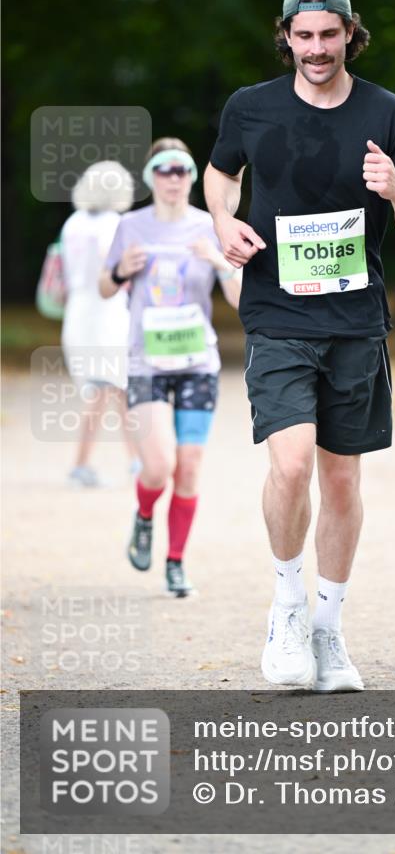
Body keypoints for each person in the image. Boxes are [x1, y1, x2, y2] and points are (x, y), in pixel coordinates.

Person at [204, 0, 395, 690]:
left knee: (341, 478)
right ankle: (285, 606)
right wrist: (223, 222)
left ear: (348, 34)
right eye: (302, 36)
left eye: (327, 35)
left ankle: (328, 629)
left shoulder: (387, 113)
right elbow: (219, 177)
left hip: (355, 320)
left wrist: (394, 187)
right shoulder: (249, 107)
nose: (315, 48)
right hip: (277, 314)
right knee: (292, 465)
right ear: (286, 36)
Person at [100, 137, 241, 596]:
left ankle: (176, 562)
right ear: (151, 176)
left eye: (182, 169)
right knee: (158, 465)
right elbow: (104, 288)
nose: (174, 177)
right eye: (165, 168)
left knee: (190, 465)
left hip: (198, 360)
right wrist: (121, 269)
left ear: (193, 177)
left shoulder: (208, 225)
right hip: (148, 362)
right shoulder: (130, 226)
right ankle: (144, 516)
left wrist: (220, 261)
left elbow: (240, 298)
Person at [61, 160, 135, 487]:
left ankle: (135, 458)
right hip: (108, 311)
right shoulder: (114, 224)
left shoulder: (72, 223)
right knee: (107, 387)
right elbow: (120, 273)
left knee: (115, 388)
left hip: (78, 311)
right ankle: (81, 464)